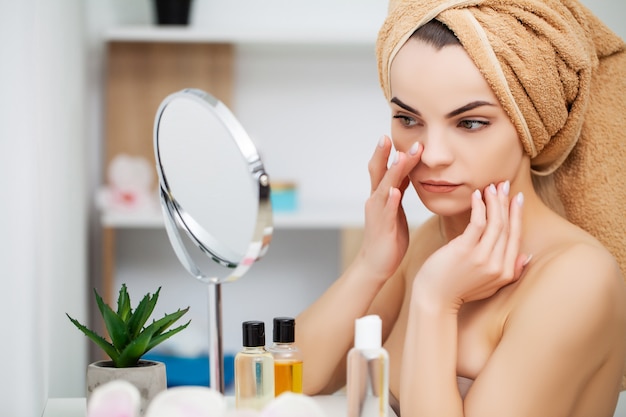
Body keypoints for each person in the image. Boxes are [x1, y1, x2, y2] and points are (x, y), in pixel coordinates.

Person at [296, 0, 626, 416]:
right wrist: (371, 262)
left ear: (533, 127)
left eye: (470, 123)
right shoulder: (426, 243)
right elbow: (294, 382)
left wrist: (435, 301)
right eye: (408, 119)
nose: (432, 154)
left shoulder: (577, 279)